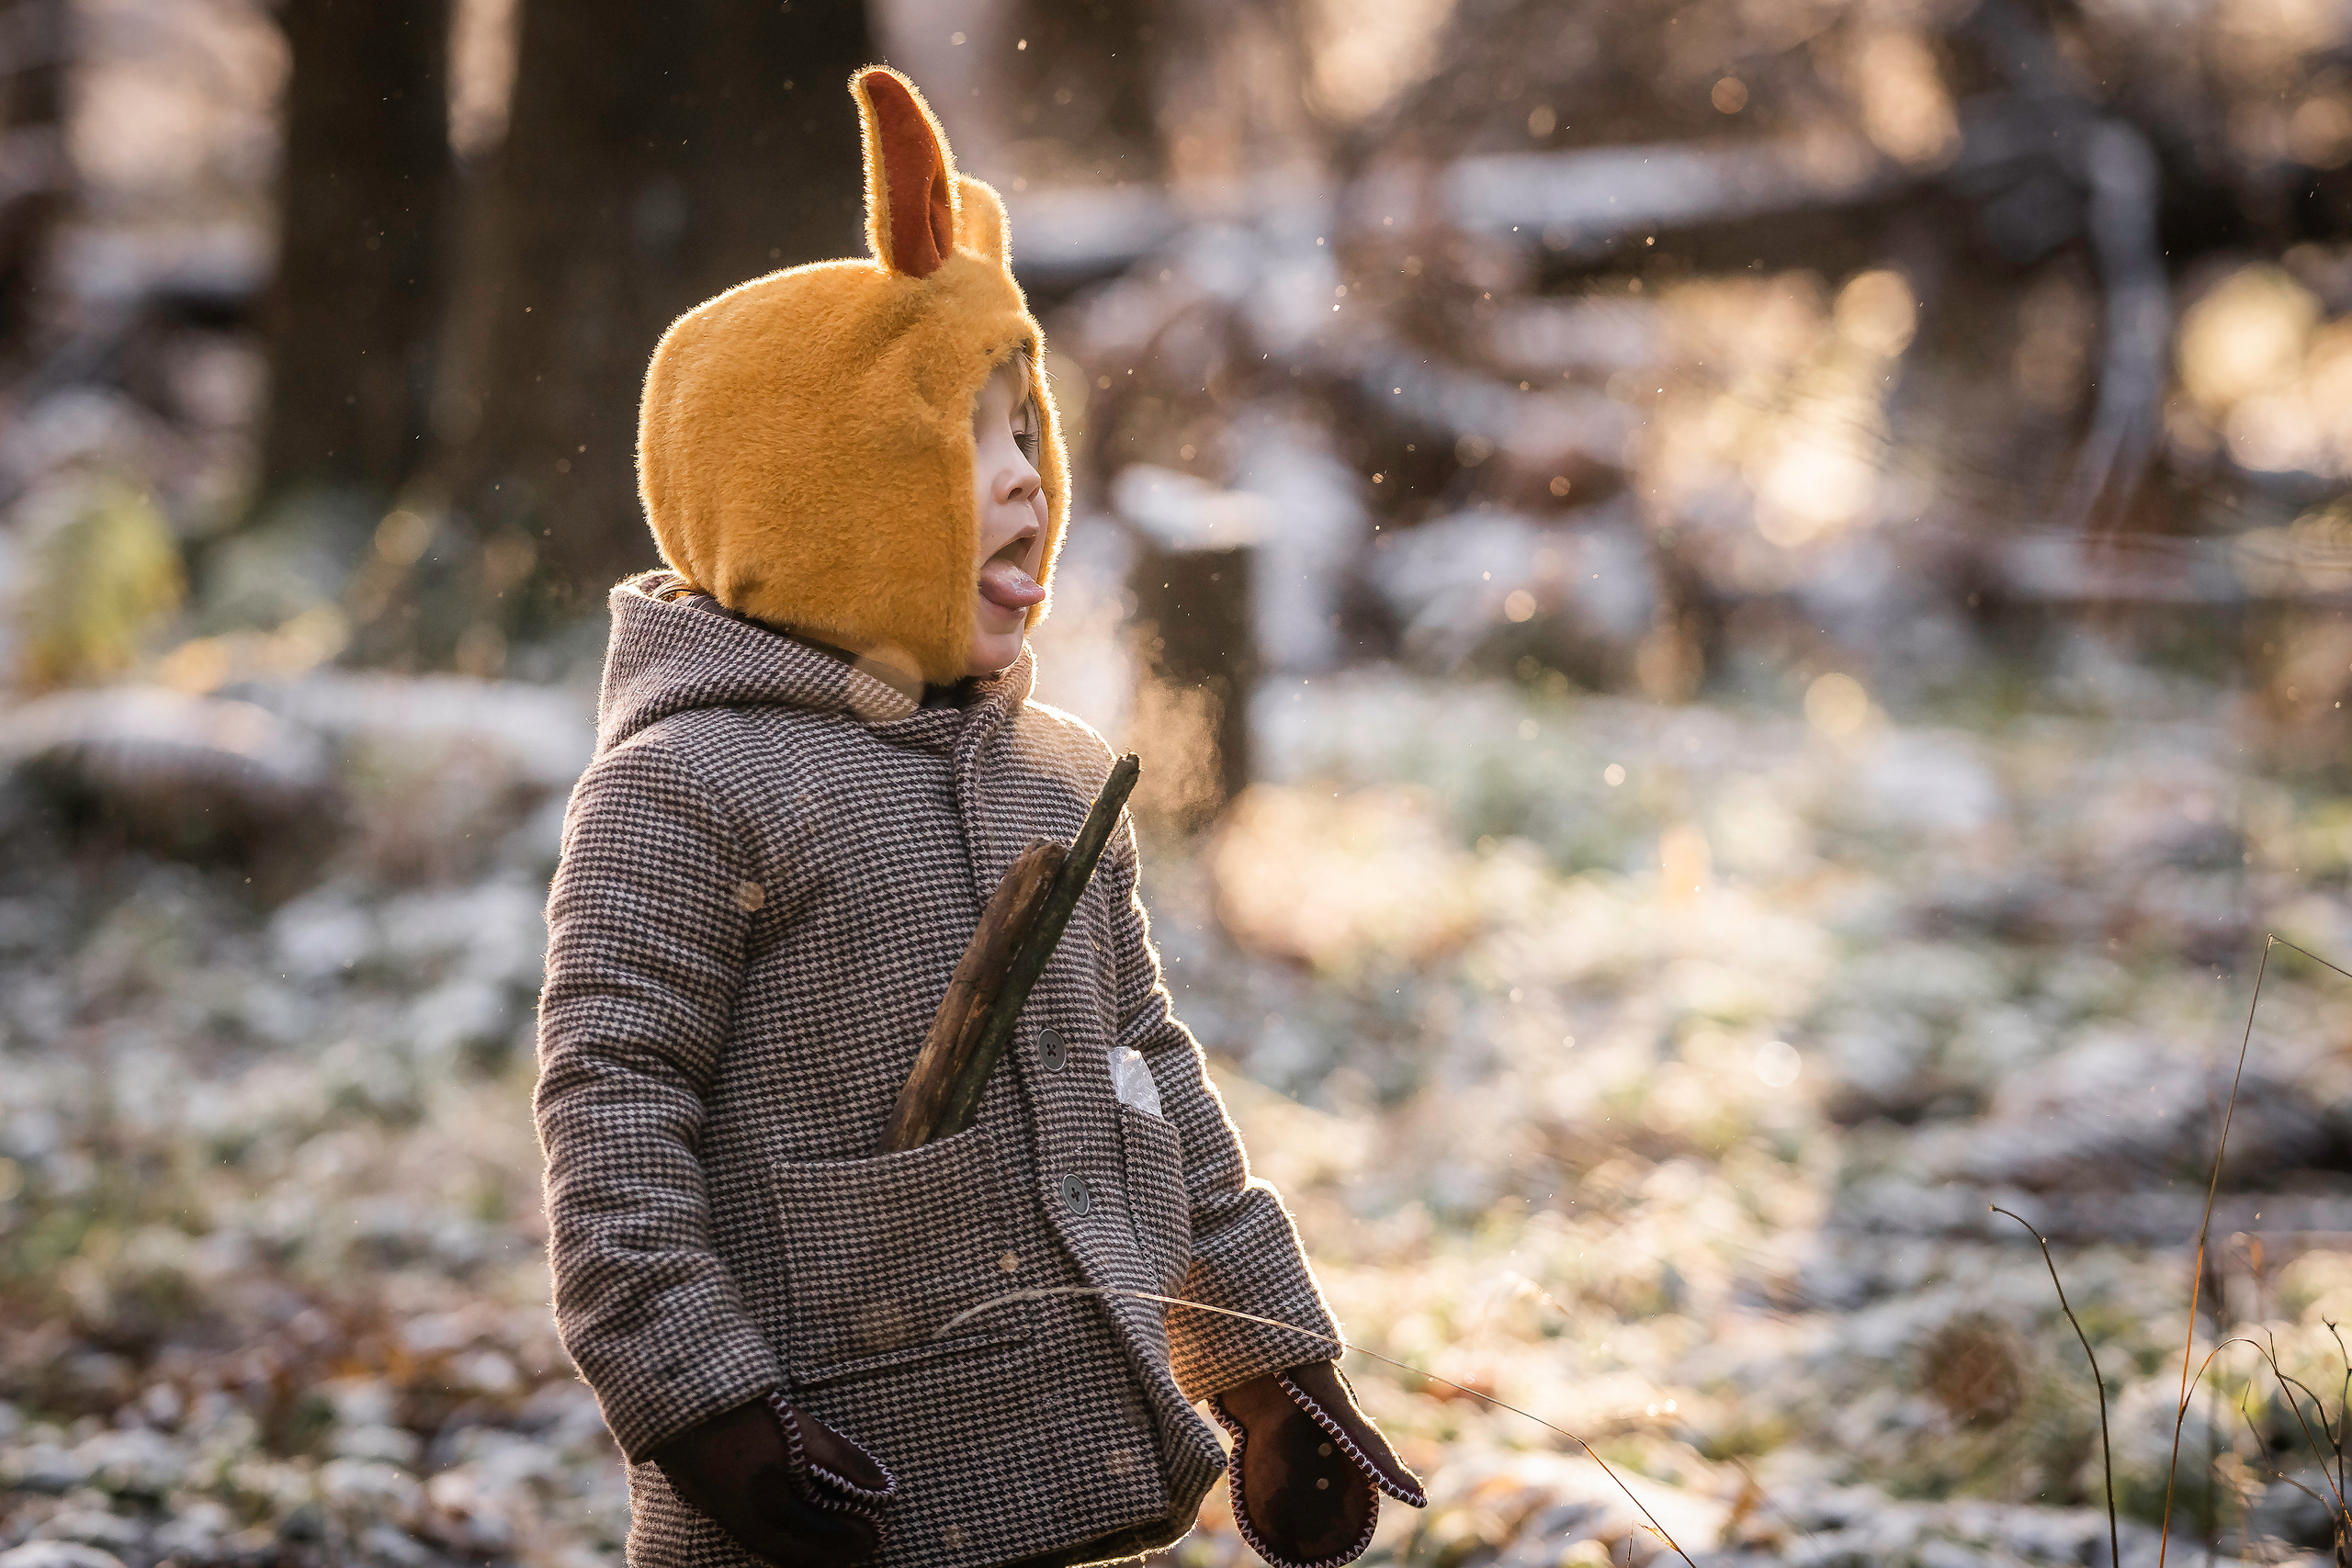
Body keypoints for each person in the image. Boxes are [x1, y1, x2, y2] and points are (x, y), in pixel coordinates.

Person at [533, 66, 1426, 1568]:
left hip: (1064, 1473)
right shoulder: (687, 787)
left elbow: (1145, 1074)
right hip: (827, 1484)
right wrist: (715, 1418)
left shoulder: (1057, 772)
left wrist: (1276, 1371)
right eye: (976, 442)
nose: (1030, 488)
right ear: (823, 490)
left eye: (1034, 437)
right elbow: (612, 1113)